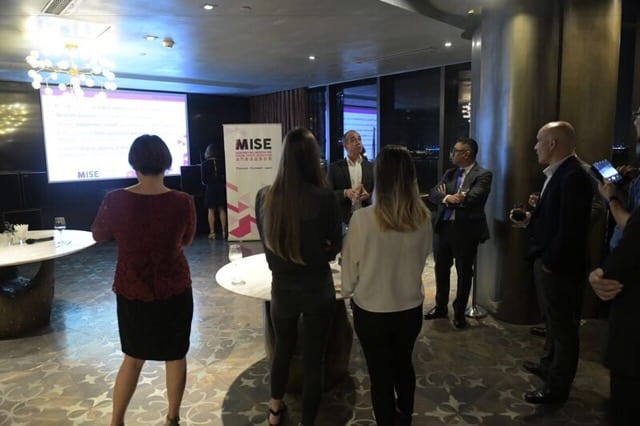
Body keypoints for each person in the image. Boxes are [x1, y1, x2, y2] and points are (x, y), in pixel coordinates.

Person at [91, 135, 197, 426]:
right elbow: (187, 240)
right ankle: (172, 419)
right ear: (166, 163)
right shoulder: (183, 201)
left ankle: (116, 421)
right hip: (175, 287)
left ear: (133, 163)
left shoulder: (114, 200)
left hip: (132, 287)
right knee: (175, 355)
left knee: (133, 357)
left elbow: (99, 234)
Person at [255, 127, 342, 426]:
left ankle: (274, 410)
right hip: (317, 287)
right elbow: (334, 248)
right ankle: (308, 421)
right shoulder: (325, 197)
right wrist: (319, 248)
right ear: (313, 158)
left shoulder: (265, 197)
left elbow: (268, 247)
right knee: (315, 358)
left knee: (283, 348)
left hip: (282, 287)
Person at [341, 145, 432, 426]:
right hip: (409, 308)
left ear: (379, 176)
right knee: (404, 365)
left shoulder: (362, 219)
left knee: (380, 375)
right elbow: (423, 259)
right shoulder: (423, 217)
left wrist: (348, 291)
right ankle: (405, 416)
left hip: (371, 311)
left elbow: (349, 271)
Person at [510, 121, 593, 404]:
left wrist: (550, 262)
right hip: (550, 261)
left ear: (552, 143)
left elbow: (571, 229)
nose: (535, 147)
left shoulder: (573, 176)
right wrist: (532, 216)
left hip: (559, 267)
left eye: (538, 140)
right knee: (553, 323)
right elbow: (556, 218)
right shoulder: (559, 173)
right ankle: (547, 366)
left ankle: (556, 388)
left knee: (564, 329)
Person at [424, 137, 492, 329]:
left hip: (465, 231)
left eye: (455, 150)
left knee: (464, 272)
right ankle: (440, 307)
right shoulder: (450, 173)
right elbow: (433, 194)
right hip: (443, 228)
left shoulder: (483, 175)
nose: (452, 154)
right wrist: (448, 197)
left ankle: (459, 313)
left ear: (467, 153)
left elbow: (474, 198)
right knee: (441, 269)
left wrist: (454, 198)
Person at [327, 130, 374, 226]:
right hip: (343, 220)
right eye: (353, 140)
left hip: (366, 218)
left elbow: (377, 192)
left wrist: (368, 196)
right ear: (345, 145)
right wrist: (345, 193)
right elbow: (327, 194)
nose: (358, 142)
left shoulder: (371, 167)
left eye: (359, 139)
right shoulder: (335, 168)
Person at [201, 144, 228, 240]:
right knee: (222, 209)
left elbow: (204, 180)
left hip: (210, 189)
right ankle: (224, 232)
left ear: (207, 153)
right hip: (221, 188)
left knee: (211, 210)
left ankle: (212, 233)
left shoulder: (204, 164)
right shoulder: (222, 163)